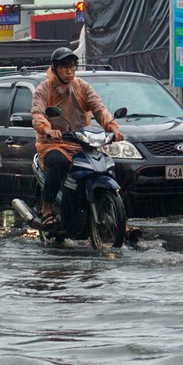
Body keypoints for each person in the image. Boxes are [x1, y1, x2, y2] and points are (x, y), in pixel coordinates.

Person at [30, 47, 124, 231]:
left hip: (82, 143)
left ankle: (121, 219)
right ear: (55, 68)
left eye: (72, 66)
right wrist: (48, 129)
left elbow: (99, 108)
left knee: (109, 166)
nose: (69, 71)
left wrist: (112, 127)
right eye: (65, 67)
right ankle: (47, 209)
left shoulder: (82, 86)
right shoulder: (44, 89)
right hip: (53, 144)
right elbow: (37, 114)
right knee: (58, 163)